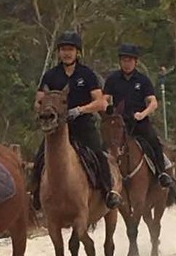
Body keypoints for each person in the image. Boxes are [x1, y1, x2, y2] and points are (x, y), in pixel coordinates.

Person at [31, 30, 121, 210]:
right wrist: (44, 110)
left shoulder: (86, 74)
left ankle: (108, 191)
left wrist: (80, 110)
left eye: (70, 49)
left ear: (77, 52)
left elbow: (100, 102)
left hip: (82, 125)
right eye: (63, 49)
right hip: (56, 128)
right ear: (59, 52)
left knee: (97, 154)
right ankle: (34, 194)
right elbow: (39, 100)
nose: (66, 53)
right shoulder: (51, 75)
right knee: (40, 157)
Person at [103, 44, 173, 188]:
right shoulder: (112, 79)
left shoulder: (143, 80)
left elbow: (153, 102)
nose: (126, 63)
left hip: (138, 121)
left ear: (136, 62)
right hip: (119, 122)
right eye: (124, 60)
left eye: (130, 60)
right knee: (104, 144)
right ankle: (104, 181)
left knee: (153, 141)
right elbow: (105, 98)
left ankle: (161, 173)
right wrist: (108, 109)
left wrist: (143, 114)